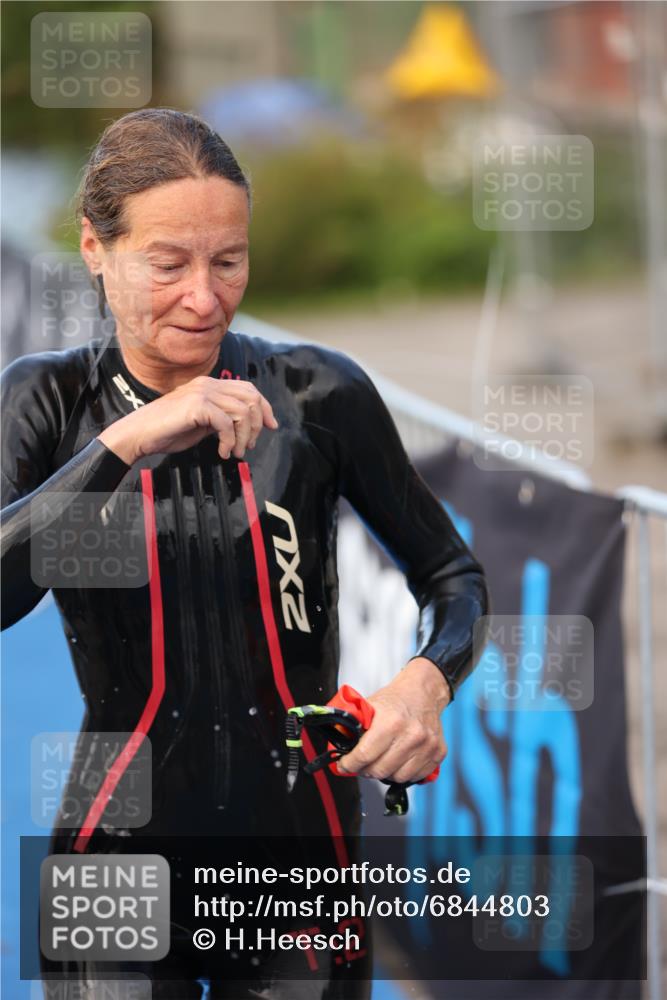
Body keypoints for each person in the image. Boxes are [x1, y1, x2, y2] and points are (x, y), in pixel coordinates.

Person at [1, 108, 489, 998]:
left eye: (228, 261)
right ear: (94, 251)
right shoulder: (47, 399)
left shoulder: (317, 395)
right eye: (168, 263)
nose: (205, 296)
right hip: (119, 838)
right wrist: (127, 442)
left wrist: (426, 680)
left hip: (297, 852)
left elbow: (450, 574)